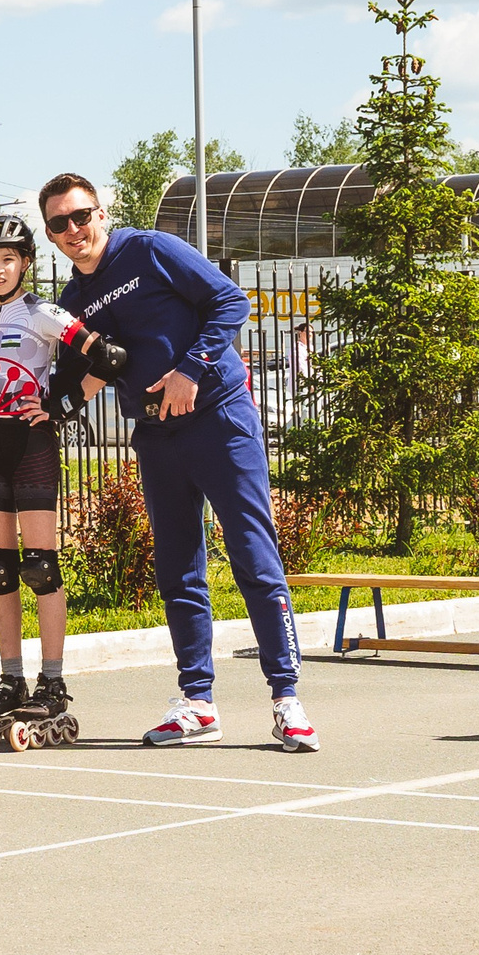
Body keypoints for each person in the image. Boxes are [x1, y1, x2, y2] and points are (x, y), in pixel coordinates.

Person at [38, 174, 317, 751]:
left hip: (220, 419)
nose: (73, 231)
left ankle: (287, 700)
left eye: (81, 216)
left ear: (101, 212)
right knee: (178, 569)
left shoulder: (149, 249)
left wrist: (191, 370)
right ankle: (197, 705)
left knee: (253, 559)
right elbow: (65, 379)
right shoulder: (72, 304)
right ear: (49, 234)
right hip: (156, 438)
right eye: (59, 223)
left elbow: (231, 301)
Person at [0, 214, 125, 742]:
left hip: (33, 446)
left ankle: (53, 684)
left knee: (40, 567)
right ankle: (12, 680)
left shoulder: (45, 314)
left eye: (8, 259)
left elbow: (108, 358)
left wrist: (61, 404)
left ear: (26, 263)